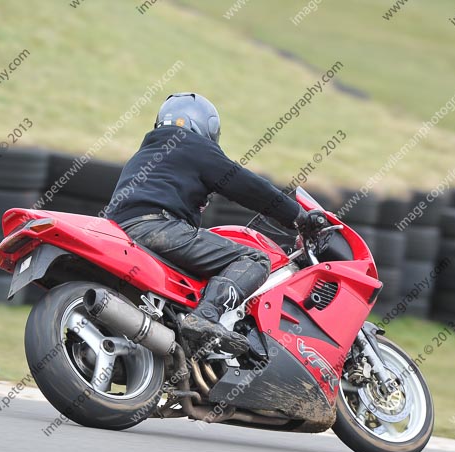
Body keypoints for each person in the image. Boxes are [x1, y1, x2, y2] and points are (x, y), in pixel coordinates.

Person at [106, 92, 325, 353]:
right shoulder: (192, 146)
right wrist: (297, 216)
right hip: (158, 229)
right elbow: (247, 186)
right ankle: (206, 316)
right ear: (204, 125)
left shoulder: (143, 155)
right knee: (254, 259)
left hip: (120, 233)